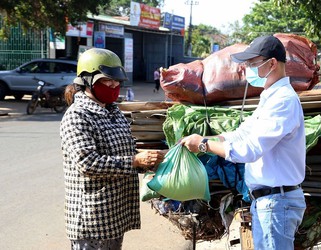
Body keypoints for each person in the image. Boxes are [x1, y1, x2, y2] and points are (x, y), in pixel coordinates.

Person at [180, 35, 306, 249]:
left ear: (272, 63)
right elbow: (240, 134)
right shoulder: (270, 99)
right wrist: (205, 139)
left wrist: (204, 145)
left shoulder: (283, 101)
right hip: (268, 202)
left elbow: (248, 150)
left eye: (252, 63)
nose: (247, 68)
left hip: (277, 203)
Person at [60, 48, 165, 250]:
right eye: (108, 80)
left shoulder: (113, 111)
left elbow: (125, 151)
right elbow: (88, 164)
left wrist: (150, 161)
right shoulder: (78, 116)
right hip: (92, 218)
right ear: (87, 80)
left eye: (117, 81)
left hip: (114, 213)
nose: (114, 85)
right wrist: (135, 161)